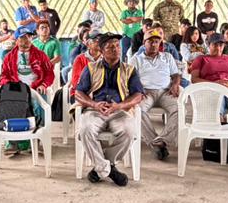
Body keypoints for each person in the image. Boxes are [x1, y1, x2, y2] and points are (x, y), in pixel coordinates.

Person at [74, 33, 145, 185]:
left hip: (119, 111)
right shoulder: (91, 68)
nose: (115, 49)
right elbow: (78, 93)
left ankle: (100, 167)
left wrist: (119, 106)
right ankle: (109, 169)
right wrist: (94, 104)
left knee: (129, 131)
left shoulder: (129, 69)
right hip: (95, 110)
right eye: (110, 47)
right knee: (85, 129)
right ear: (101, 51)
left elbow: (138, 95)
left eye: (117, 46)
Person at [0, 26, 55, 156]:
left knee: (39, 105)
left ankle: (37, 140)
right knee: (9, 103)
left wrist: (44, 84)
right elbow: (3, 76)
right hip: (18, 89)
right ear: (17, 40)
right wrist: (9, 85)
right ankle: (12, 142)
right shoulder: (9, 57)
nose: (27, 40)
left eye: (29, 36)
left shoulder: (40, 55)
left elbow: (49, 74)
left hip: (36, 88)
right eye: (23, 37)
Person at [133, 28, 182, 160]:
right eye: (150, 42)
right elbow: (130, 78)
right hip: (146, 92)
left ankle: (161, 140)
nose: (154, 44)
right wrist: (138, 89)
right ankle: (157, 143)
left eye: (156, 41)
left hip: (166, 91)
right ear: (144, 43)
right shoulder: (136, 59)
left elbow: (176, 74)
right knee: (137, 111)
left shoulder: (167, 57)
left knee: (180, 109)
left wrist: (175, 84)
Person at [190, 33, 228, 119]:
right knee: (217, 114)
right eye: (215, 45)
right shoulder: (201, 59)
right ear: (209, 45)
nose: (218, 48)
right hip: (211, 88)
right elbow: (194, 79)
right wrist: (214, 84)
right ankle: (219, 120)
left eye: (221, 45)